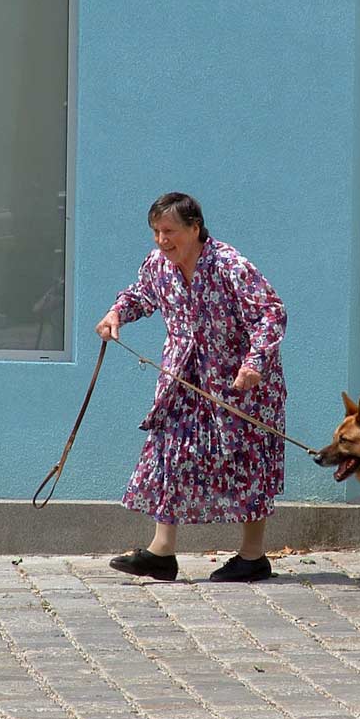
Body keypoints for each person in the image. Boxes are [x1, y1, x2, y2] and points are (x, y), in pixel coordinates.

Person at [95, 192, 287, 582]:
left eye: (169, 231)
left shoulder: (228, 265)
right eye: (155, 232)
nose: (161, 240)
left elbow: (271, 313)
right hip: (182, 378)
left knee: (246, 459)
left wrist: (254, 364)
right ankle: (161, 552)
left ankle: (253, 556)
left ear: (194, 228)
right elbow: (140, 295)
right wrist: (116, 313)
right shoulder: (158, 265)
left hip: (238, 383)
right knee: (170, 450)